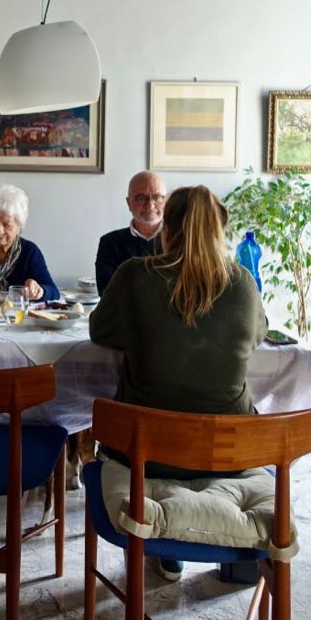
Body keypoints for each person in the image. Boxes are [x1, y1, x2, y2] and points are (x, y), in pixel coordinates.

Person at [89, 184, 267, 582]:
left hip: (145, 456)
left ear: (165, 231)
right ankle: (236, 570)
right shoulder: (242, 284)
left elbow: (100, 331)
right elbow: (258, 336)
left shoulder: (136, 275)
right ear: (220, 234)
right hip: (228, 458)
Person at [95, 171, 167, 295]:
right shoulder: (110, 243)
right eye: (141, 198)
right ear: (129, 203)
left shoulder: (179, 240)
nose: (150, 205)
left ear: (166, 202)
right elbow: (107, 292)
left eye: (157, 197)